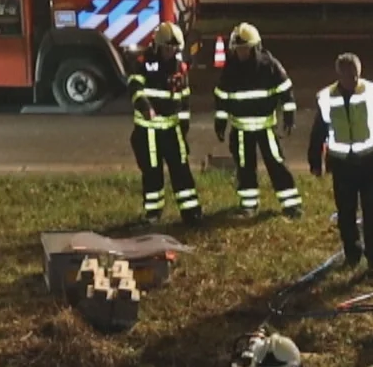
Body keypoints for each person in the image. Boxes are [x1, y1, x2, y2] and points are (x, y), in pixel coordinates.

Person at [307, 53, 373, 271]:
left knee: (370, 212)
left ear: (359, 73)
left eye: (354, 75)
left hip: (370, 162)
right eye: (347, 75)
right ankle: (352, 254)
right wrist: (315, 159)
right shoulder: (326, 97)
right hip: (342, 165)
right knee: (346, 213)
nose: (351, 80)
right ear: (339, 75)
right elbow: (319, 130)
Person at [213, 22, 302, 219]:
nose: (241, 53)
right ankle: (249, 205)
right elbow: (222, 97)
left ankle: (291, 205)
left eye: (245, 49)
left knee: (276, 164)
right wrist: (220, 122)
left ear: (255, 48)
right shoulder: (230, 69)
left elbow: (286, 92)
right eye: (238, 49)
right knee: (245, 167)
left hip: (266, 128)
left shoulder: (269, 66)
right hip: (241, 130)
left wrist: (289, 117)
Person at [128, 21, 201, 223]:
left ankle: (192, 213)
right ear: (158, 46)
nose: (171, 52)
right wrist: (145, 107)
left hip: (172, 130)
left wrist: (183, 130)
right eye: (168, 48)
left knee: (181, 171)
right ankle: (153, 213)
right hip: (148, 131)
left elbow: (184, 99)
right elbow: (135, 89)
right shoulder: (143, 63)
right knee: (152, 173)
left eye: (175, 48)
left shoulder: (180, 67)